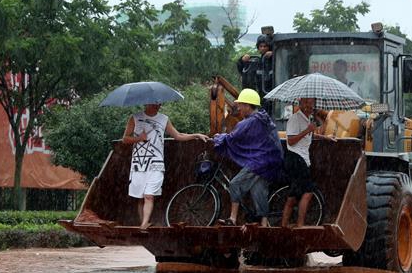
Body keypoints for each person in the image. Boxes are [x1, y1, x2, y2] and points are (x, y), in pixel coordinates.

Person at [122, 103, 209, 229]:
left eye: (159, 103)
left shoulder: (164, 119)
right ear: (147, 103)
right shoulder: (134, 118)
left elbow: (177, 135)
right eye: (155, 103)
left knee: (149, 195)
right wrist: (140, 138)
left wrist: (196, 135)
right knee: (140, 197)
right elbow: (125, 139)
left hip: (156, 163)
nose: (159, 105)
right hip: (139, 164)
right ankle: (143, 224)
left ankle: (145, 223)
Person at [213, 88, 284, 227]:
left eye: (240, 105)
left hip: (260, 161)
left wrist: (218, 138)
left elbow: (234, 136)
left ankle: (233, 219)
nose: (238, 108)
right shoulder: (262, 118)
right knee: (258, 190)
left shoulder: (251, 122)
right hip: (271, 160)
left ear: (247, 105)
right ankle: (264, 224)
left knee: (235, 184)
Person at [281, 98, 335, 228]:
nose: (308, 106)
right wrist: (308, 129)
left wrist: (325, 137)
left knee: (294, 194)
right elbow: (291, 141)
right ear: (299, 104)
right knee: (309, 190)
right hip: (296, 159)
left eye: (311, 103)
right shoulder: (295, 119)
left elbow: (309, 136)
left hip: (300, 159)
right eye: (305, 103)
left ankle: (284, 225)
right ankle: (300, 224)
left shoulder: (306, 119)